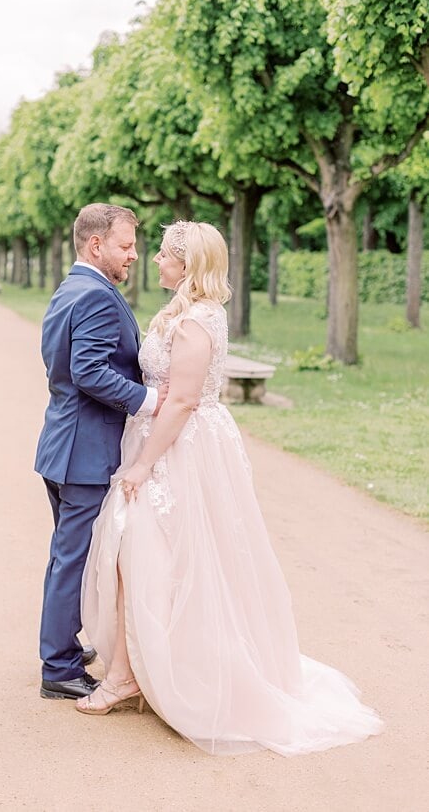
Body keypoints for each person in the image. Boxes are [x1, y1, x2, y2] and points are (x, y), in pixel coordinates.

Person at [76, 220, 383, 755]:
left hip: (179, 452)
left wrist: (143, 464)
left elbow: (183, 401)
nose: (153, 260)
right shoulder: (181, 312)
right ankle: (136, 666)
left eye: (166, 255)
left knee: (149, 553)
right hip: (163, 440)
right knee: (143, 556)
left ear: (188, 265)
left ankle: (136, 674)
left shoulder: (196, 322)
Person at [34, 203, 162, 700]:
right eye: (126, 245)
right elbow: (87, 370)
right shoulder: (95, 296)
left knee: (70, 557)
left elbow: (59, 364)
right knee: (74, 557)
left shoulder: (73, 288)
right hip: (83, 451)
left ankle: (62, 643)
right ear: (96, 245)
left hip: (63, 442)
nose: (134, 255)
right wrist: (147, 399)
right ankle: (59, 667)